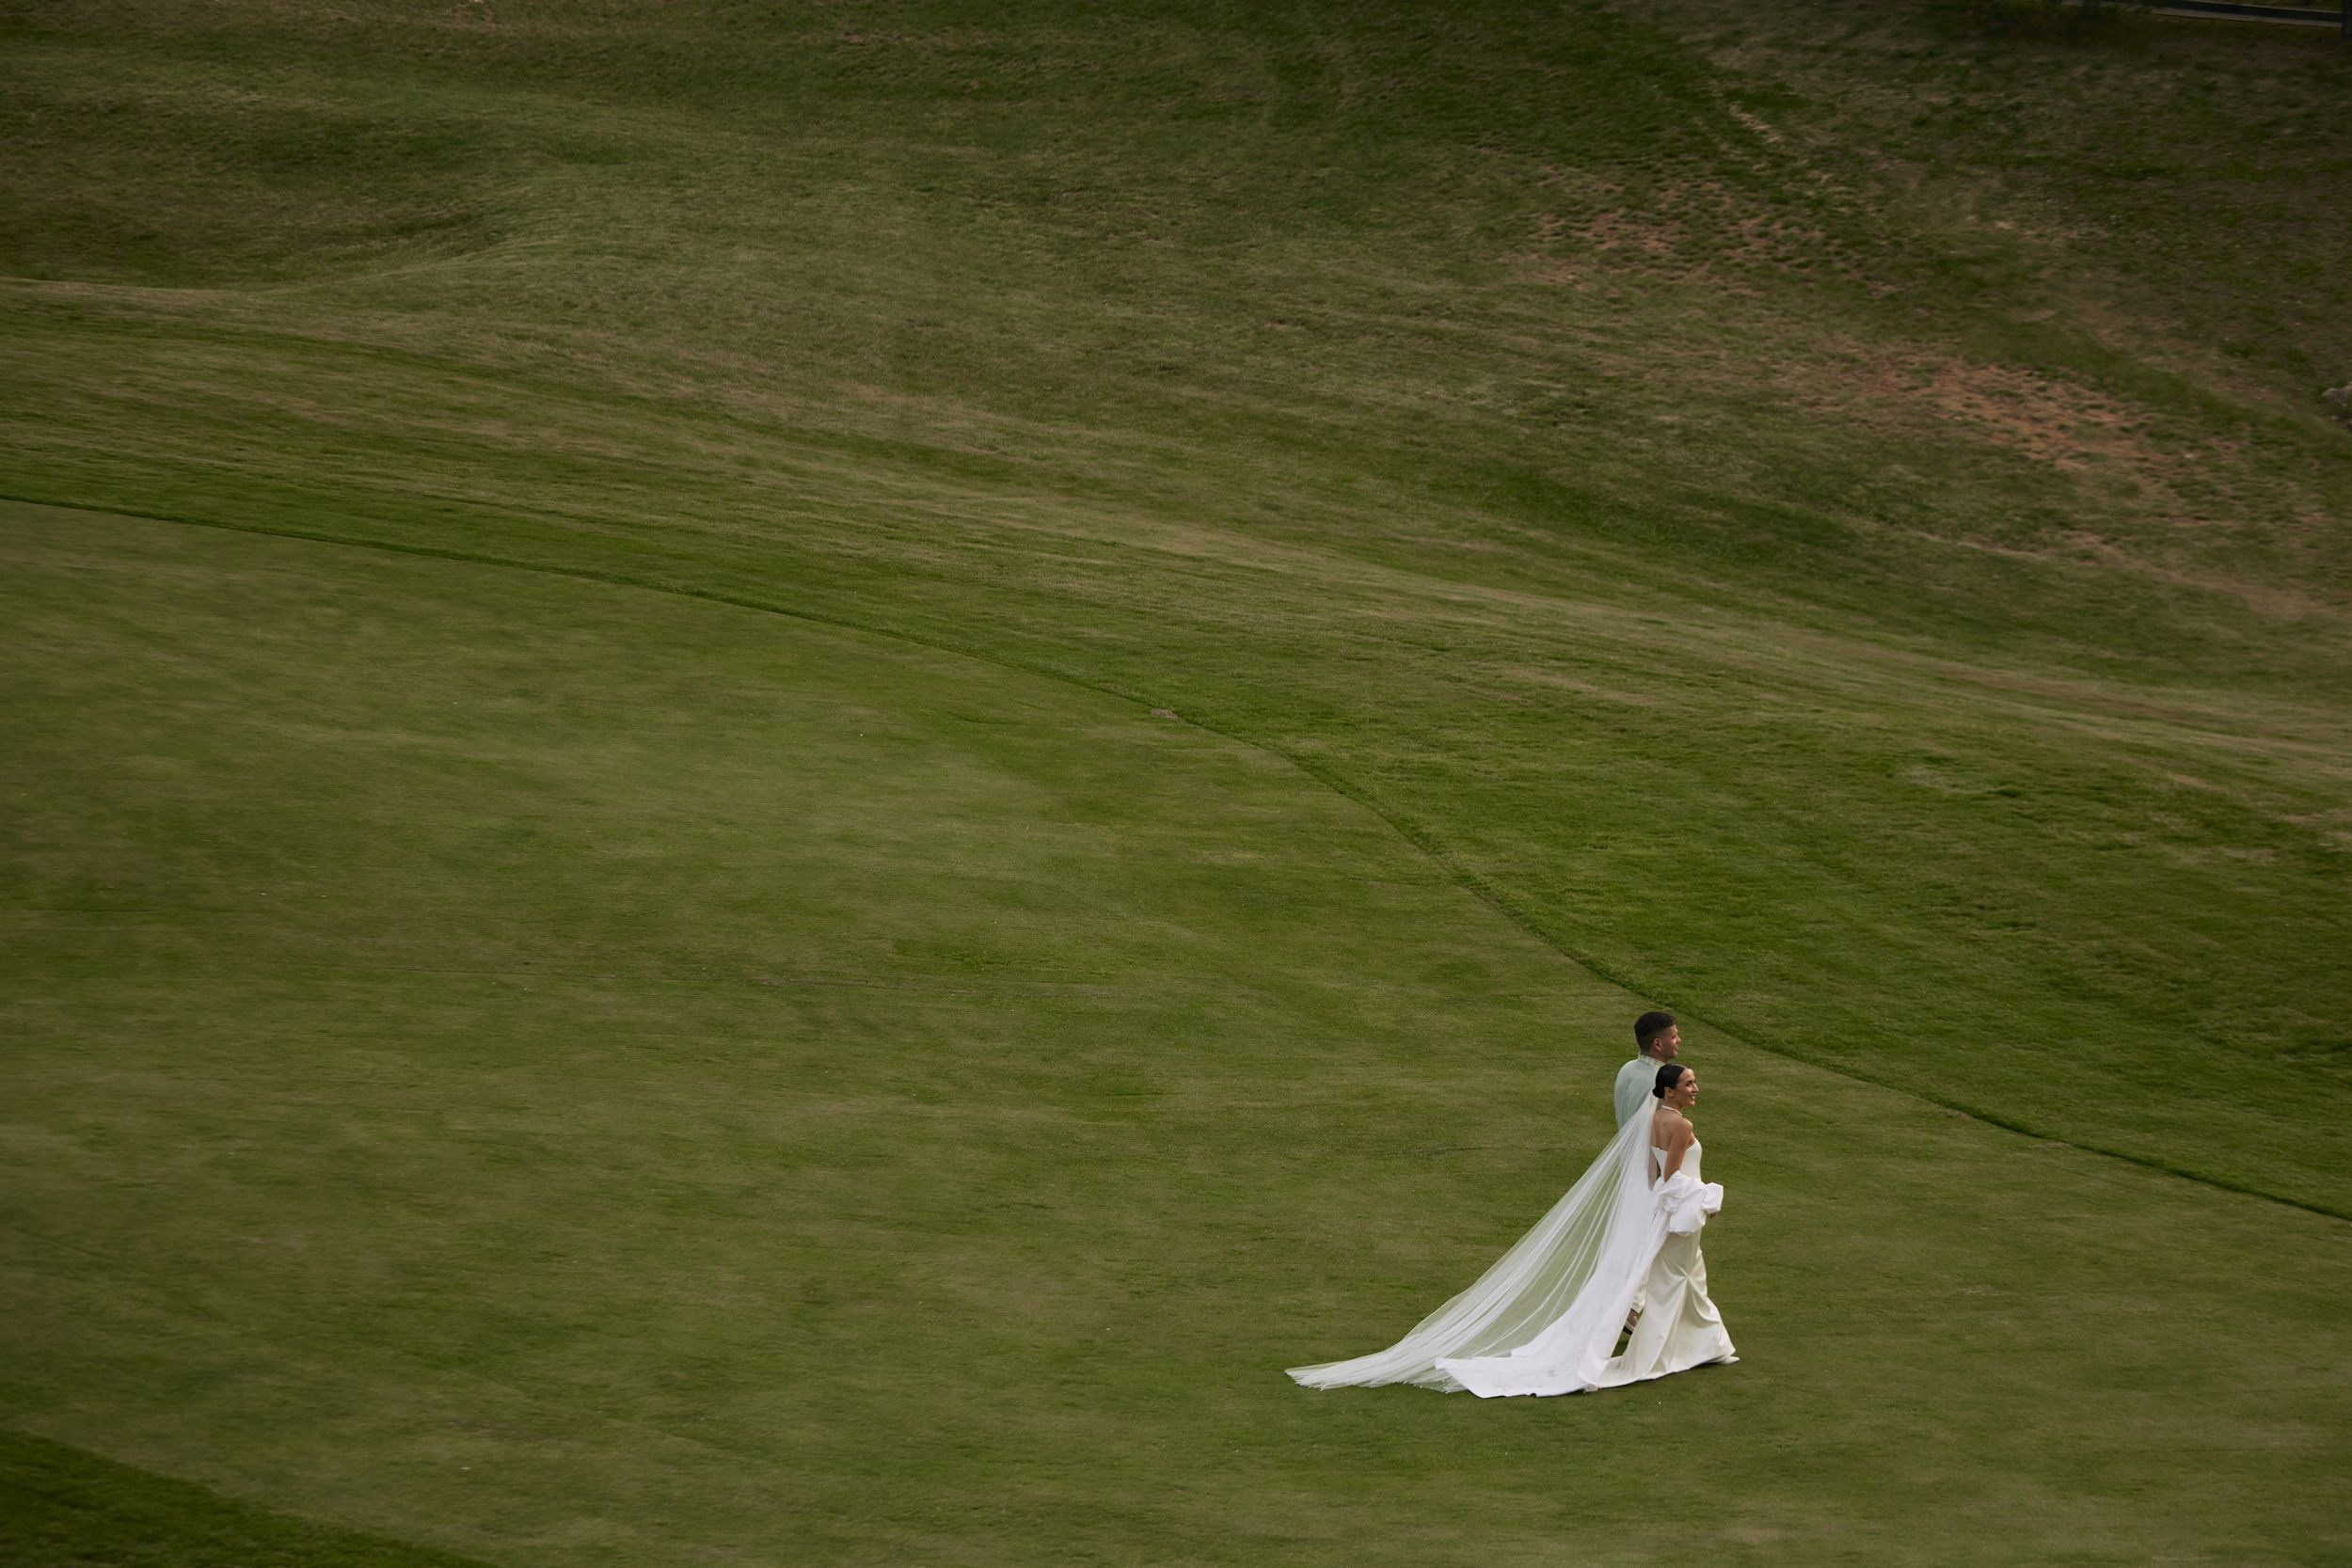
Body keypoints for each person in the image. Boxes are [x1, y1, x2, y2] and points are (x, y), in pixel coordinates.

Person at [1287, 1058, 1735, 1397]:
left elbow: (1651, 1176)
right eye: (1689, 1083)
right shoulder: (1680, 1125)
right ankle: (1681, 1348)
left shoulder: (1654, 1119)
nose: (1696, 1088)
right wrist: (1705, 1201)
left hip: (1663, 1213)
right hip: (1676, 1216)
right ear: (1670, 1091)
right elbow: (1673, 1181)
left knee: (1686, 1279)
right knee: (1677, 1280)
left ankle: (1704, 1343)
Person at [1615, 1010, 1679, 1127]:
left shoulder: (1627, 1068)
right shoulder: (1660, 1082)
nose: (1679, 1040)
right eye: (1674, 1037)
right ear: (1657, 1044)